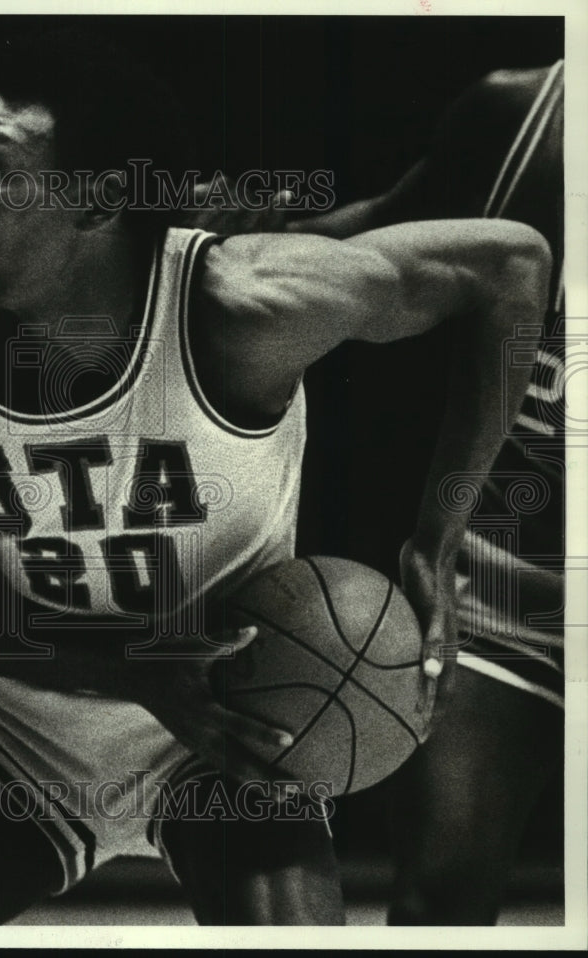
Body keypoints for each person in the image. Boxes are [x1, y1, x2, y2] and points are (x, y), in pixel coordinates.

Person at [0, 34, 551, 926]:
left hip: (232, 739)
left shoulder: (234, 310)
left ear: (96, 200)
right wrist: (135, 670)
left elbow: (510, 266)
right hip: (22, 734)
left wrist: (438, 536)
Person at [290, 61, 565, 925]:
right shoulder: (528, 111)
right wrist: (215, 247)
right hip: (509, 567)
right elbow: (380, 233)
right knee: (440, 890)